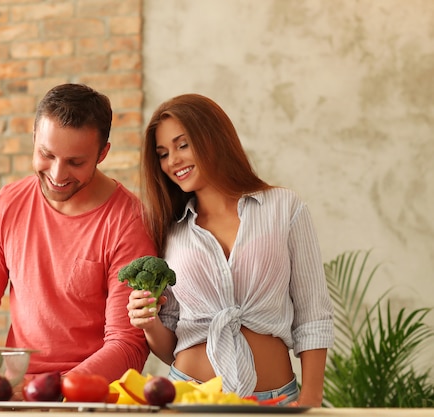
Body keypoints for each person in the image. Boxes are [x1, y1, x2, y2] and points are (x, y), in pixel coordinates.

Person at [127, 93, 334, 407]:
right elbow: (171, 345)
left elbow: (313, 313)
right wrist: (149, 322)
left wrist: (312, 397)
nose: (173, 161)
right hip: (189, 397)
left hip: (277, 401)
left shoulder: (283, 207)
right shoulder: (170, 231)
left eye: (182, 145)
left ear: (213, 138)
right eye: (163, 153)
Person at [0, 83, 156, 383]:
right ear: (34, 137)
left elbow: (127, 345)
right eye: (46, 154)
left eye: (75, 162)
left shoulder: (128, 222)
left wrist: (56, 389)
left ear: (102, 154)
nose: (58, 175)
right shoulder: (8, 204)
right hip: (17, 391)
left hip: (92, 396)